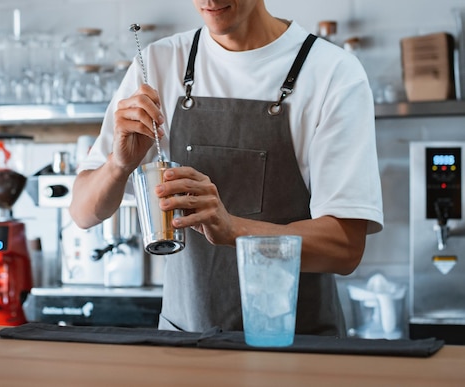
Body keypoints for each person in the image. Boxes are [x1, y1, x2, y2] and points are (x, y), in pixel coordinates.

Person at [69, 0, 383, 336]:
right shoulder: (158, 64)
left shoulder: (332, 72)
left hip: (296, 349)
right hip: (185, 345)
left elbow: (345, 248)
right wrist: (119, 164)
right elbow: (83, 213)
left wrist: (232, 228)